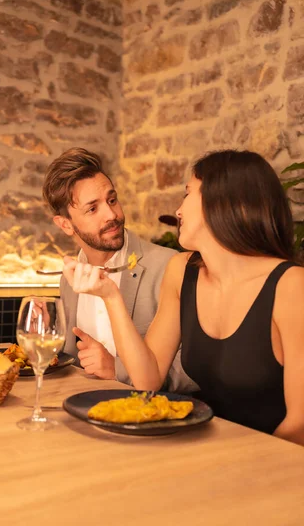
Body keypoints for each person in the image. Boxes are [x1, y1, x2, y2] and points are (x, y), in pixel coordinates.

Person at [63, 149, 304, 445]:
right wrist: (110, 297)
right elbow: (147, 379)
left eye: (188, 194)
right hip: (203, 444)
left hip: (273, 461)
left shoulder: (292, 286)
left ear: (225, 204)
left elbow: (300, 424)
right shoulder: (182, 271)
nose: (178, 211)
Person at [42, 147, 196, 391]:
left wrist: (117, 370)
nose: (112, 214)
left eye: (112, 200)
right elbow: (72, 360)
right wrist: (50, 334)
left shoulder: (169, 265)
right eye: (92, 209)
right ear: (65, 225)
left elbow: (196, 369)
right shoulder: (70, 278)